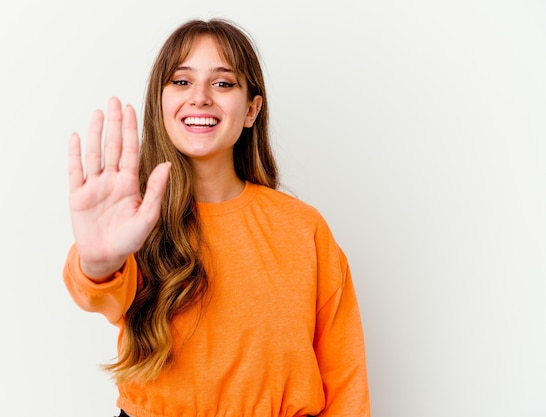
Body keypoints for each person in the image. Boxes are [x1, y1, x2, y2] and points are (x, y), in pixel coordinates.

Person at [63, 18, 370, 417]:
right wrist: (98, 263)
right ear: (161, 102)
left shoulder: (303, 228)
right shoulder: (135, 221)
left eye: (223, 83)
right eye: (181, 81)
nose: (201, 97)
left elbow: (345, 376)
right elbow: (95, 289)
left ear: (251, 110)